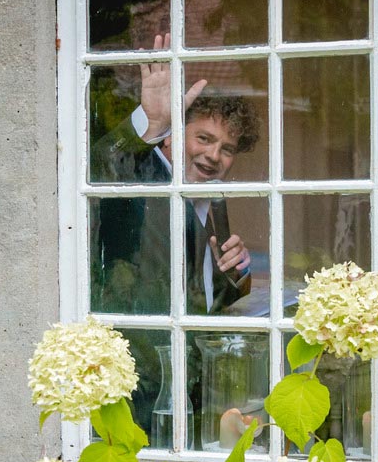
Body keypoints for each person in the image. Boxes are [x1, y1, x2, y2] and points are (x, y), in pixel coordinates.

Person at [90, 33, 260, 316]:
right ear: (170, 137)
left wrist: (237, 270)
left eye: (227, 149)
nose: (214, 155)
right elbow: (100, 166)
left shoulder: (208, 201)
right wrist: (152, 124)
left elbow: (210, 300)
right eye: (204, 139)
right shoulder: (138, 178)